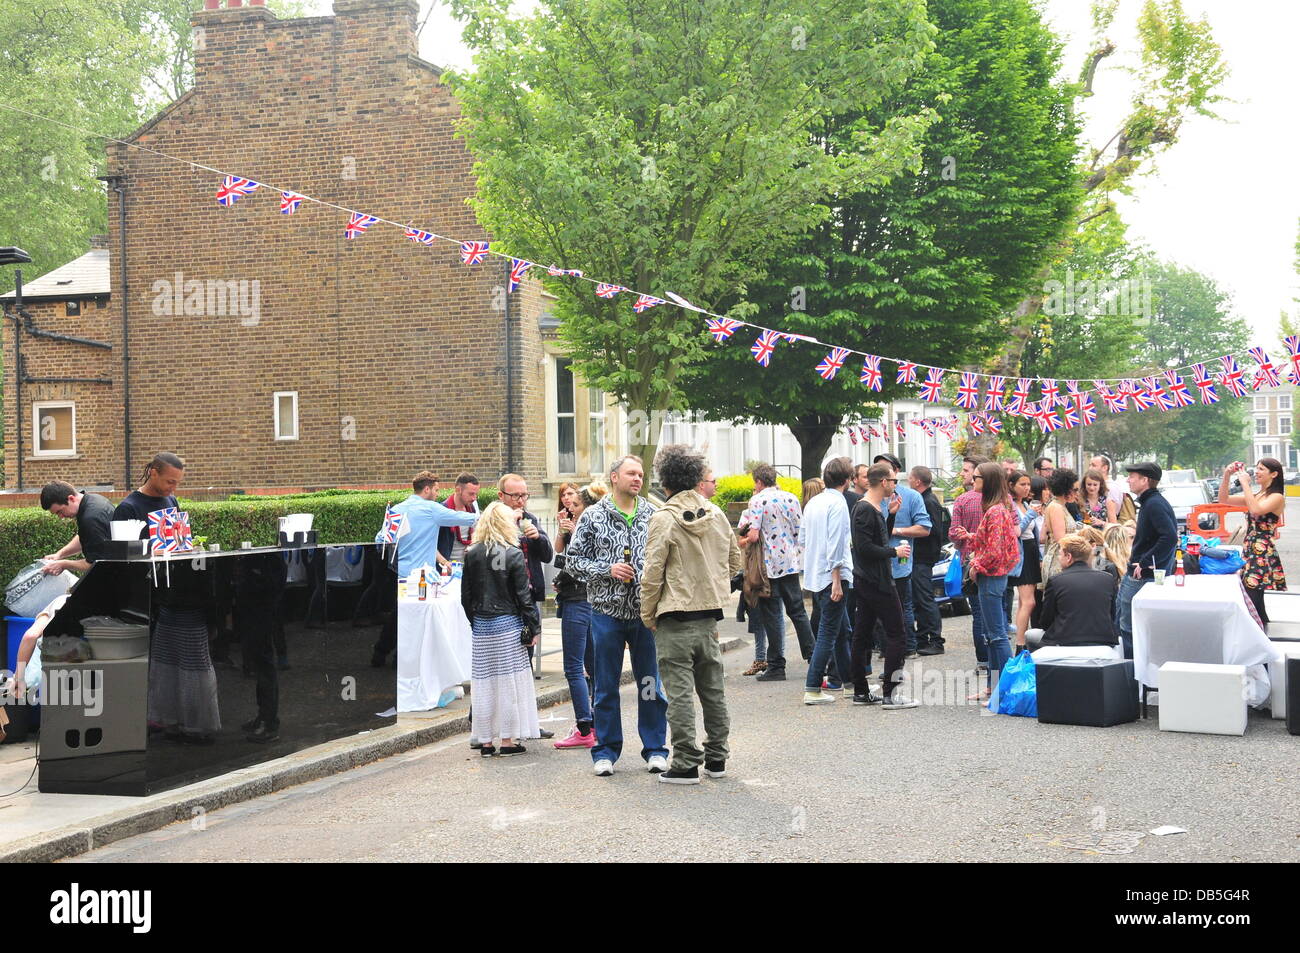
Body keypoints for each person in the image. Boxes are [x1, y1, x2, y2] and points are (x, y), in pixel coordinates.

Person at [641, 446, 741, 784]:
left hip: (675, 615)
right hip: (709, 617)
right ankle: (717, 757)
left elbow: (652, 573)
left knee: (680, 693)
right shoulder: (715, 514)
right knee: (712, 690)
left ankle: (685, 762)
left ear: (665, 480)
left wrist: (647, 613)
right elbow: (734, 562)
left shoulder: (664, 518)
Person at [564, 455, 669, 777]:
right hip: (605, 611)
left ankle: (655, 749)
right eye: (631, 473)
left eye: (640, 474)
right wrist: (606, 570)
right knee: (606, 685)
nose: (637, 479)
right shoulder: (594, 516)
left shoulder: (653, 514)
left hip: (644, 612)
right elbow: (573, 562)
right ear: (614, 477)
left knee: (650, 683)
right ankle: (606, 751)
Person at [371, 471, 479, 667]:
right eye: (436, 490)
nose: (438, 494)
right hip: (422, 577)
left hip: (400, 574)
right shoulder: (432, 509)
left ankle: (381, 653)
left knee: (399, 616)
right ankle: (402, 661)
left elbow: (381, 539)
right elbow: (465, 518)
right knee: (418, 622)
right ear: (427, 489)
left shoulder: (397, 509)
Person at [461, 502, 541, 757]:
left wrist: (476, 621)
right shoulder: (513, 553)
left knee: (484, 684)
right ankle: (507, 741)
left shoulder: (471, 553)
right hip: (508, 624)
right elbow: (523, 597)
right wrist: (533, 626)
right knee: (509, 683)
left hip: (483, 626)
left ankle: (485, 741)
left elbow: (466, 596)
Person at [850, 464, 918, 709]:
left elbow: (875, 539)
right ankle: (890, 693)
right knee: (897, 634)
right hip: (876, 581)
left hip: (869, 580)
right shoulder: (865, 509)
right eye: (893, 480)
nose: (895, 484)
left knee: (863, 634)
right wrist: (894, 551)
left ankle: (861, 692)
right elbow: (865, 548)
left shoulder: (873, 508)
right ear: (882, 482)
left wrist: (889, 517)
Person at [950, 463, 1020, 698]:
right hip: (992, 576)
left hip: (992, 577)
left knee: (997, 635)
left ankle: (1008, 687)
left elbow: (995, 549)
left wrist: (976, 565)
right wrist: (971, 536)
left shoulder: (996, 510)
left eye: (976, 477)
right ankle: (994, 687)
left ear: (987, 481)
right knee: (991, 635)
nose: (972, 480)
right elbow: (990, 538)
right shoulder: (994, 508)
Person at [740, 463, 814, 681]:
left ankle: (776, 666)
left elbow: (753, 536)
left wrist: (743, 539)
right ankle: (814, 657)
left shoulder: (757, 500)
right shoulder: (791, 498)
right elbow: (799, 530)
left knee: (772, 616)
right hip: (790, 562)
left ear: (759, 482)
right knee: (798, 612)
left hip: (768, 567)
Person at [551, 481, 607, 749]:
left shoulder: (586, 528)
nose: (570, 508)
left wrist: (561, 579)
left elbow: (574, 565)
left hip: (578, 599)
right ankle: (595, 725)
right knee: (592, 665)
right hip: (591, 599)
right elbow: (560, 556)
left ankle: (584, 728)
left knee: (574, 667)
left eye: (575, 504)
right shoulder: (598, 527)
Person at [801, 457, 855, 705]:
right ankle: (812, 686)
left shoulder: (813, 502)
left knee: (842, 631)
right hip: (833, 576)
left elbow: (803, 538)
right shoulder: (838, 502)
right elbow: (837, 542)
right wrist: (836, 578)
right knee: (828, 633)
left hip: (815, 575)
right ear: (847, 480)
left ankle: (851, 683)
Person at [1117, 462, 1177, 658]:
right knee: (1128, 624)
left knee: (1128, 627)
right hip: (1145, 573)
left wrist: (1145, 562)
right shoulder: (1152, 502)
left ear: (1145, 480)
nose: (1128, 480)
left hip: (1142, 576)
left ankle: (1131, 675)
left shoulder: (1154, 504)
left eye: (1132, 476)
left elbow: (1169, 536)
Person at [872, 453, 929, 658]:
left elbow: (925, 528)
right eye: (876, 471)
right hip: (875, 563)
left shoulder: (911, 497)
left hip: (900, 562)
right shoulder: (870, 499)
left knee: (902, 607)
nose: (881, 477)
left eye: (885, 471)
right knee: (878, 609)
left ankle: (908, 647)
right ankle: (886, 648)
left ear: (896, 472)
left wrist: (897, 531)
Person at [1220, 457, 1287, 623]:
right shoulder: (1258, 495)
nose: (1256, 472)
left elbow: (1257, 510)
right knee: (1254, 600)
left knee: (1252, 598)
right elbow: (1224, 499)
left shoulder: (1277, 497)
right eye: (1256, 468)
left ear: (1274, 474)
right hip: (1250, 550)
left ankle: (1261, 636)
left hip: (1262, 552)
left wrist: (1245, 484)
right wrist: (1227, 476)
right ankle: (1264, 636)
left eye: (1261, 469)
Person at [1032, 534, 1120, 648]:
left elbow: (1046, 621)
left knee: (1030, 635)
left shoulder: (1056, 581)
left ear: (1068, 557)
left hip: (1065, 640)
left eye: (1059, 554)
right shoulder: (1108, 579)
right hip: (1104, 639)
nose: (1058, 558)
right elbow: (1112, 614)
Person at [949, 455, 989, 671]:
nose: (962, 474)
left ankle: (983, 660)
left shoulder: (963, 500)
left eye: (966, 471)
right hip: (997, 562)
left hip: (971, 561)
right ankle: (996, 658)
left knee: (978, 613)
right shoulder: (1004, 499)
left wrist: (962, 542)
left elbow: (954, 533)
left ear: (977, 474)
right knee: (997, 609)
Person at [497, 473, 555, 614]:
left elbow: (547, 556)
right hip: (504, 595)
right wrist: (509, 523)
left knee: (534, 634)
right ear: (501, 495)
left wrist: (538, 538)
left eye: (524, 495)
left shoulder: (530, 519)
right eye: (515, 495)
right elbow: (495, 560)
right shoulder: (493, 521)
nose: (521, 501)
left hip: (530, 594)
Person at [908, 465, 946, 657]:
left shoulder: (928, 501)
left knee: (925, 598)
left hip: (923, 557)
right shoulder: (926, 500)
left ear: (917, 481)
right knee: (920, 598)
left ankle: (935, 640)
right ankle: (923, 638)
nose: (907, 482)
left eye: (910, 478)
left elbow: (931, 530)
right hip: (922, 556)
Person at [40, 481, 115, 572]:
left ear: (71, 498)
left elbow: (96, 565)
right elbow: (86, 536)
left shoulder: (91, 519)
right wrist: (59, 555)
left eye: (60, 511)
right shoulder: (94, 499)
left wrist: (63, 564)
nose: (61, 517)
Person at [1006, 470, 1040, 654]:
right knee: (1028, 602)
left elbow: (1033, 533)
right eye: (1022, 484)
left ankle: (1022, 640)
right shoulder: (1009, 504)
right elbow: (1016, 531)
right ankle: (1020, 644)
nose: (1027, 488)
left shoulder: (1025, 503)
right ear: (1011, 485)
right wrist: (1031, 515)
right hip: (1022, 552)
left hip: (1031, 550)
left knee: (1025, 602)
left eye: (1028, 484)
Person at [113, 452, 185, 521]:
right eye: (170, 482)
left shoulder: (172, 501)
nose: (174, 488)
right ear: (153, 474)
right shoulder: (127, 509)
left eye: (177, 483)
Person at [1039, 468, 1080, 588]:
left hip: (1062, 557)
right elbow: (1060, 538)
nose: (1077, 493)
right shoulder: (1056, 507)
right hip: (1058, 560)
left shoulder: (1059, 505)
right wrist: (1083, 535)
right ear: (1065, 489)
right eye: (1075, 490)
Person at [436, 473, 482, 566]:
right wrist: (444, 562)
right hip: (447, 570)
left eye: (476, 494)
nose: (474, 498)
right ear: (458, 490)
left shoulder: (471, 508)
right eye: (471, 494)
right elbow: (431, 543)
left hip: (468, 566)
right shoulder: (442, 511)